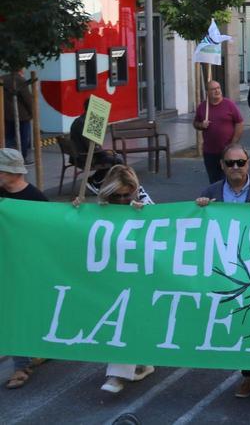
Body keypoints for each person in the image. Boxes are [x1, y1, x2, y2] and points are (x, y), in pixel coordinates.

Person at [194, 143, 250, 402]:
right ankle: (249, 375)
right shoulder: (210, 193)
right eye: (230, 163)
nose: (235, 167)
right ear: (221, 165)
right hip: (227, 270)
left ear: (248, 163)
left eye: (240, 162)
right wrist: (199, 209)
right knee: (240, 322)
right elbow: (197, 230)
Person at [88, 165, 155, 393]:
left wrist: (143, 214)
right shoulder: (100, 209)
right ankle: (142, 363)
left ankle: (117, 375)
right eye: (118, 196)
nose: (124, 200)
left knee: (124, 317)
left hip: (141, 275)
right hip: (111, 274)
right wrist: (75, 213)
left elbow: (166, 229)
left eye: (128, 195)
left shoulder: (144, 204)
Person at [0, 148, 49, 390]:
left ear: (11, 172)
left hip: (28, 264)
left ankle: (23, 363)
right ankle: (23, 357)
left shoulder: (36, 197)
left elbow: (52, 229)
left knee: (20, 310)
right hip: (5, 261)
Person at [69, 96, 124, 193]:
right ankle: (95, 181)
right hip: (85, 157)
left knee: (113, 157)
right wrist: (106, 153)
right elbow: (92, 147)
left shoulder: (79, 121)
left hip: (77, 156)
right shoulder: (85, 123)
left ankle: (97, 181)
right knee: (118, 160)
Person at [194, 80, 245, 183]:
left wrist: (233, 143)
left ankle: (228, 198)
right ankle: (216, 198)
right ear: (207, 92)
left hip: (227, 151)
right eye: (213, 89)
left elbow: (239, 123)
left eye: (218, 88)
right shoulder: (203, 107)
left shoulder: (229, 104)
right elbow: (195, 123)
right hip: (210, 151)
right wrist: (201, 125)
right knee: (214, 180)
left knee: (228, 179)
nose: (217, 91)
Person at [2, 69, 33, 161]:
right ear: (20, 69)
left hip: (6, 114)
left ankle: (8, 158)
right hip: (22, 115)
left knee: (8, 137)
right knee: (24, 138)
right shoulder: (20, 80)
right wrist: (32, 113)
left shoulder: (2, 78)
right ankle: (21, 159)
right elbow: (27, 99)